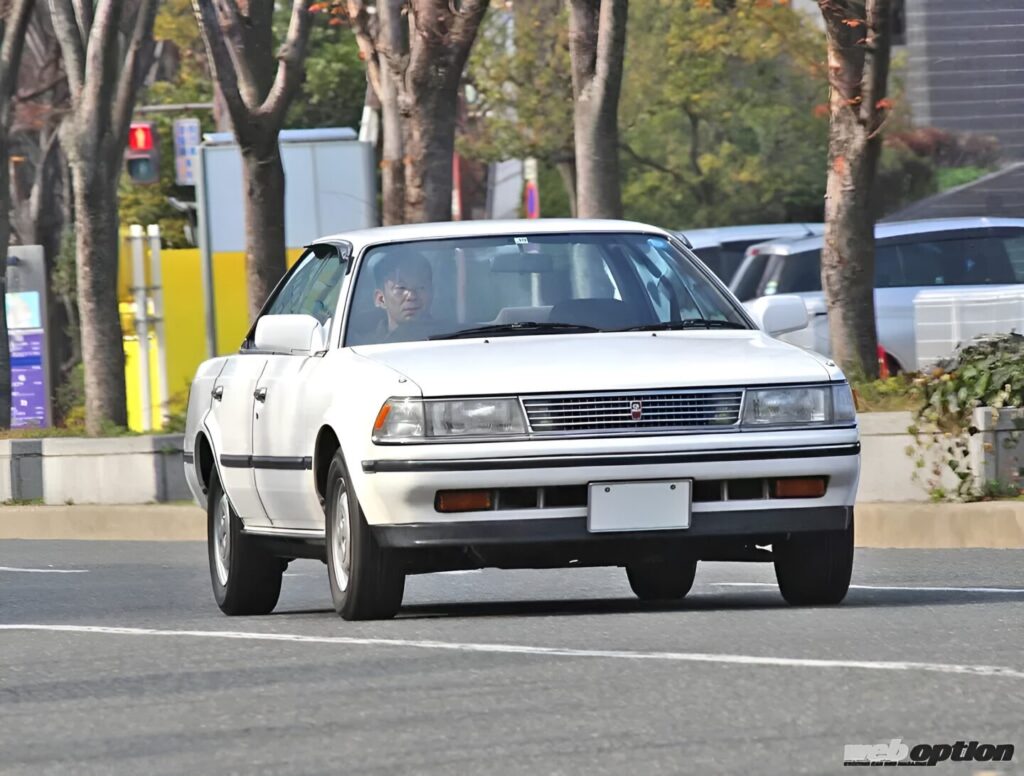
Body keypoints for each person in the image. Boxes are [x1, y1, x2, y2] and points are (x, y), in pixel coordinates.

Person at [370, 250, 437, 341]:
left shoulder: (454, 338)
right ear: (380, 299)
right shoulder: (366, 347)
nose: (412, 296)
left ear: (432, 292)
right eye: (401, 288)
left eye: (421, 287)